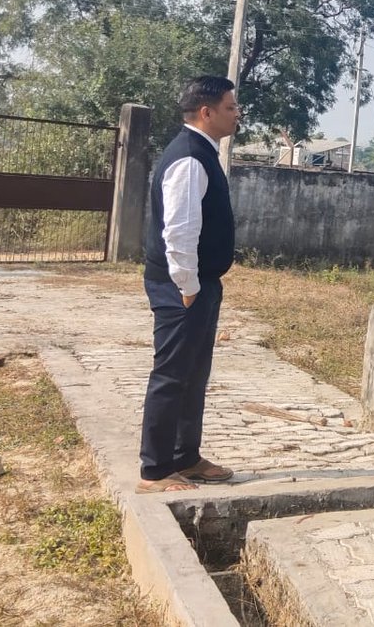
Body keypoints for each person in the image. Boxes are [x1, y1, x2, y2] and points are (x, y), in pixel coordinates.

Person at [136, 76, 241, 493]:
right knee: (172, 373)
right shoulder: (189, 158)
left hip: (198, 283)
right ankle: (155, 470)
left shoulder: (203, 153)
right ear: (207, 112)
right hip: (181, 286)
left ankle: (185, 456)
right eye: (231, 107)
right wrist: (187, 285)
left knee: (194, 372)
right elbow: (178, 230)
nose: (237, 114)